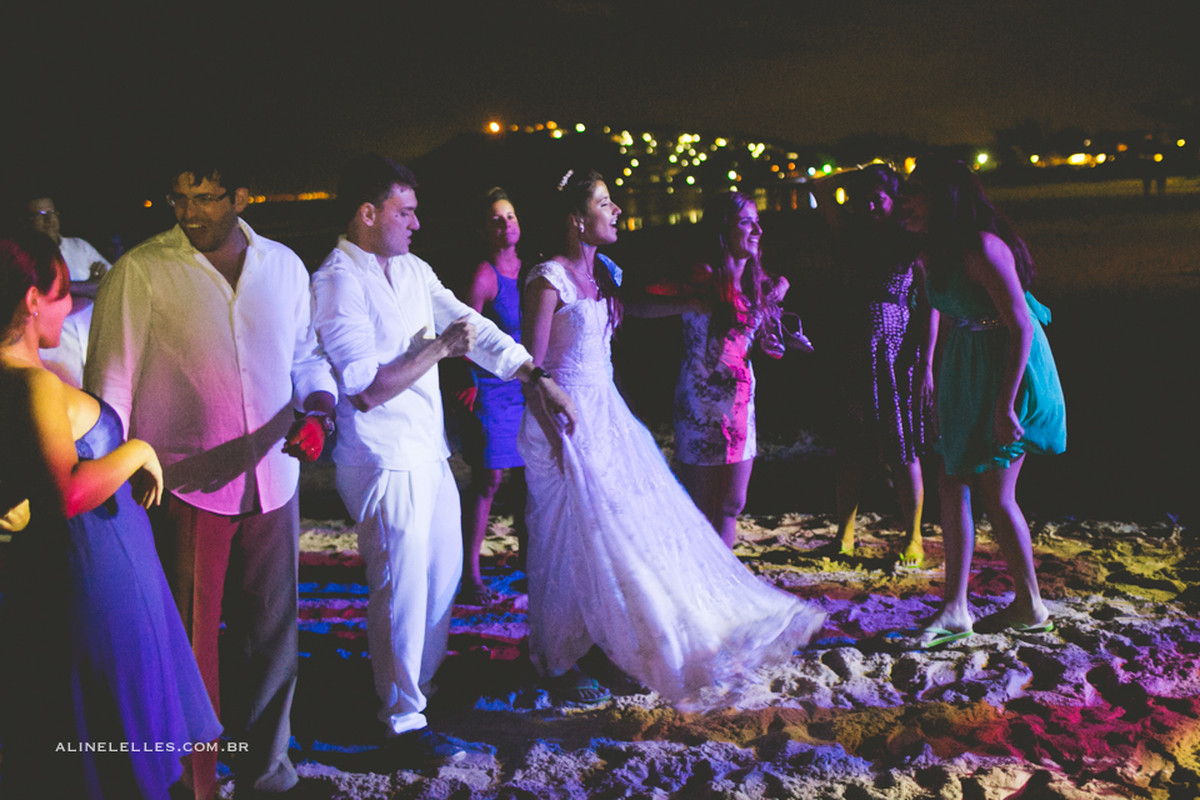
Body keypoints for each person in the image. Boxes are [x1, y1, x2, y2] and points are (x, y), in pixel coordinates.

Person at [518, 169, 825, 711]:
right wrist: (557, 440)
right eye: (605, 203)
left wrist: (694, 303)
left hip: (608, 415)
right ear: (575, 219)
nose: (615, 212)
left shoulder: (604, 275)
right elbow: (531, 369)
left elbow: (643, 307)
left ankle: (610, 645)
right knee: (570, 537)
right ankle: (560, 656)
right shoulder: (548, 279)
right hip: (564, 420)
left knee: (621, 534)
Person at [85, 155, 337, 799]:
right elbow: (108, 389)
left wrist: (319, 408)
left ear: (243, 197)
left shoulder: (283, 266)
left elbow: (306, 355)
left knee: (273, 639)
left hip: (275, 481)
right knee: (190, 650)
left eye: (205, 198)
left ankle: (267, 774)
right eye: (178, 198)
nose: (188, 211)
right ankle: (191, 785)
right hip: (183, 487)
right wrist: (109, 489)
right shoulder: (139, 271)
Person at [309, 155, 576, 761]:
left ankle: (419, 693)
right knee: (401, 590)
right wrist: (437, 352)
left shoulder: (412, 268)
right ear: (368, 213)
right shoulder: (335, 281)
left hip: (429, 450)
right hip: (380, 457)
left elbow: (471, 328)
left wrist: (534, 375)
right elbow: (366, 387)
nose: (417, 223)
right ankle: (401, 721)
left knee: (443, 578)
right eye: (406, 212)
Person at [0, 233, 220, 799]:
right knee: (118, 748)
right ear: (30, 301)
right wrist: (137, 451)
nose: (69, 305)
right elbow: (68, 494)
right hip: (97, 583)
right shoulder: (31, 385)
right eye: (59, 295)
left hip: (96, 576)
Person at [901, 156, 1065, 648]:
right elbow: (948, 315)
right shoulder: (931, 252)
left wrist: (1003, 406)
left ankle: (1031, 605)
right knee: (952, 479)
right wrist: (935, 372)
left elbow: (1019, 325)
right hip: (967, 364)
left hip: (1008, 368)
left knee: (996, 492)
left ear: (943, 200)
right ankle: (956, 607)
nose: (904, 201)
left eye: (915, 192)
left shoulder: (983, 249)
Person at [670, 191, 811, 548]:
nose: (757, 229)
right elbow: (643, 301)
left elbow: (752, 340)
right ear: (723, 228)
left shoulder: (757, 284)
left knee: (732, 505)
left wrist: (778, 342)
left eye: (757, 220)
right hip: (699, 405)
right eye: (747, 221)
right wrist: (687, 301)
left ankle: (724, 584)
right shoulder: (701, 276)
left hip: (740, 405)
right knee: (701, 508)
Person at [818, 165, 935, 566]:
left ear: (894, 200)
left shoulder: (910, 241)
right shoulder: (850, 236)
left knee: (903, 447)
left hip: (896, 350)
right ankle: (844, 535)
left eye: (878, 198)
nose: (869, 206)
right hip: (854, 346)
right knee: (851, 445)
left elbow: (930, 305)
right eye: (863, 198)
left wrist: (926, 363)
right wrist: (863, 170)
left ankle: (913, 536)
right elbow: (821, 186)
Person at [457, 187, 528, 603]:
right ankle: (471, 575)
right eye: (497, 219)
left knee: (524, 481)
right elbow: (464, 333)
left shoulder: (531, 268)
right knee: (488, 481)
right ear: (486, 230)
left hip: (523, 384)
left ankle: (528, 562)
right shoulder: (484, 275)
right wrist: (466, 378)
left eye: (511, 216)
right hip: (492, 388)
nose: (506, 224)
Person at [23, 194, 112, 387]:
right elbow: (44, 292)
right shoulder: (26, 256)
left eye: (52, 213)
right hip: (55, 359)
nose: (48, 220)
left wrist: (80, 287)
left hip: (93, 353)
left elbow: (111, 285)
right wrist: (89, 284)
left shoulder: (79, 247)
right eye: (40, 214)